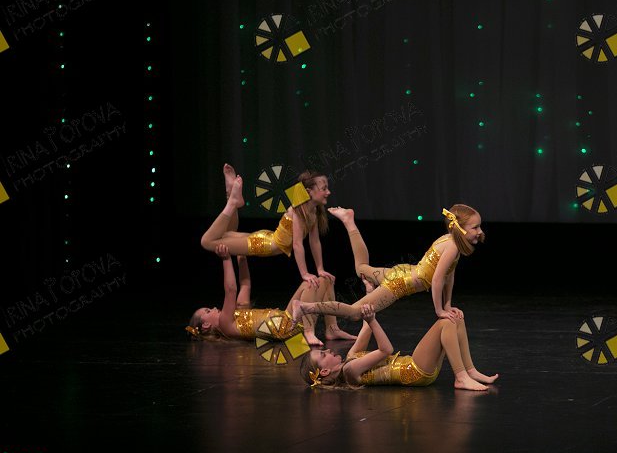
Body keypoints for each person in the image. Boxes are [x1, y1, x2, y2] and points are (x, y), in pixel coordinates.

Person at [188, 165, 355, 345]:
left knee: (216, 238)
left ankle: (331, 329)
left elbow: (244, 284)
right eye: (208, 311)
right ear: (206, 325)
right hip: (283, 326)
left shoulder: (238, 313)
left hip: (269, 247)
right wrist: (226, 259)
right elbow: (231, 289)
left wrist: (240, 258)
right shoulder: (225, 325)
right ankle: (232, 200)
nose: (213, 307)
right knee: (318, 282)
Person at [290, 205, 484, 323]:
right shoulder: (453, 246)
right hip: (400, 283)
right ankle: (305, 307)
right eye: (475, 227)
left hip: (404, 272)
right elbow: (438, 280)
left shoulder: (451, 241)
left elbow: (449, 275)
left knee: (361, 268)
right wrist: (439, 310)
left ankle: (349, 221)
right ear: (459, 228)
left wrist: (448, 303)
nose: (480, 231)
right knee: (355, 313)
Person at [298, 278, 498, 390]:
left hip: (418, 367)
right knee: (445, 323)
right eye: (323, 355)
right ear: (324, 372)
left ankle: (469, 370)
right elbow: (386, 349)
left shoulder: (351, 358)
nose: (328, 351)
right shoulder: (349, 371)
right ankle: (461, 377)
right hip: (414, 370)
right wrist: (372, 320)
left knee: (455, 319)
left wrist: (370, 297)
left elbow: (366, 327)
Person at [200, 163, 336, 289]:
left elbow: (314, 241)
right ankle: (232, 201)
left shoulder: (313, 211)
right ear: (309, 191)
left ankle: (231, 195)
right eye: (324, 189)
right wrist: (304, 274)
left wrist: (320, 269)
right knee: (207, 242)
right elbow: (297, 244)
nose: (328, 192)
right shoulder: (298, 211)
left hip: (267, 237)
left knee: (226, 234)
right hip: (263, 245)